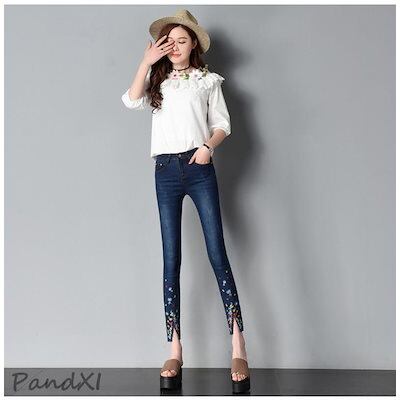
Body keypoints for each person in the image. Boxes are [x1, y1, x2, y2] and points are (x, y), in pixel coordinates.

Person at [121, 9, 250, 394]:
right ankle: (175, 350)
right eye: (169, 41)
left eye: (182, 40)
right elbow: (130, 101)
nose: (175, 47)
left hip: (198, 165)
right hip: (164, 171)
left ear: (194, 44)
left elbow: (223, 123)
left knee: (217, 253)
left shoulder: (207, 81)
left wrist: (207, 148)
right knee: (171, 258)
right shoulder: (157, 81)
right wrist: (145, 62)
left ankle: (238, 347)